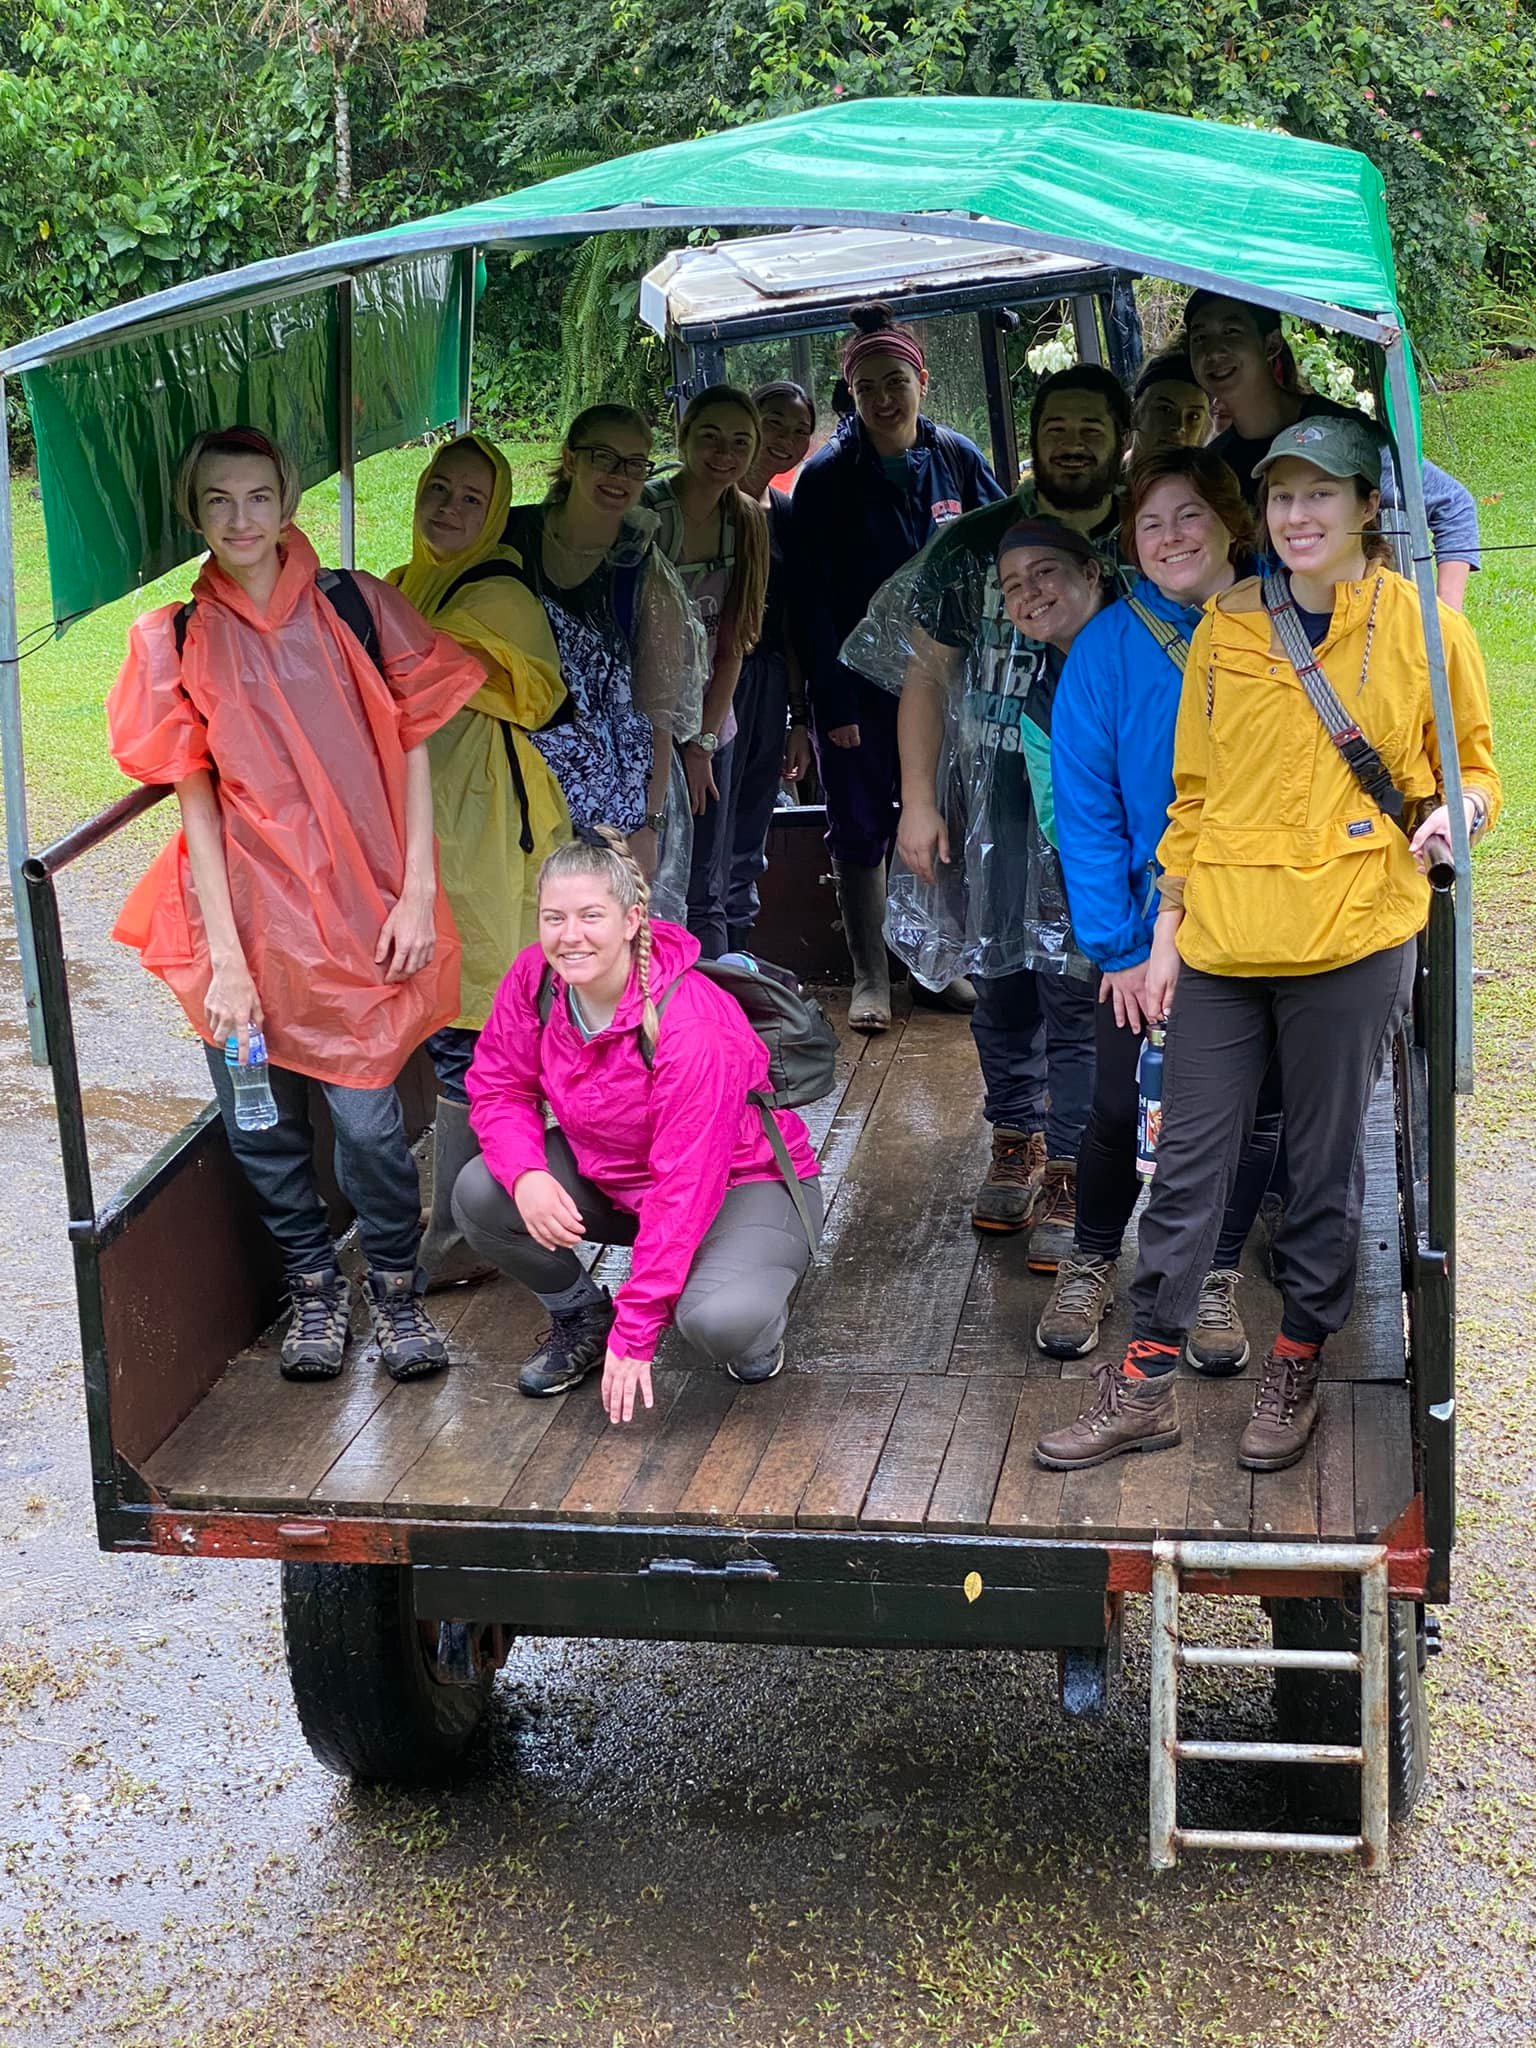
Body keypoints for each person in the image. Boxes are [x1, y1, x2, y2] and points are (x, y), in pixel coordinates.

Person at [1036, 414, 1500, 1475]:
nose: (1296, 516)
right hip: (1225, 940)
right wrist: (1165, 932)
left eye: (1319, 496)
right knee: (1188, 1165)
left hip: (1352, 932)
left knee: (1319, 1166)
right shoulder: (1228, 627)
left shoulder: (1429, 629)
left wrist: (1454, 814)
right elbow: (1192, 797)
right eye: (1282, 497)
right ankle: (1144, 1379)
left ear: (1368, 508)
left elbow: (1475, 769)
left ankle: (1295, 1360)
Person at [107, 426, 486, 1381]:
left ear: (288, 503)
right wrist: (228, 962)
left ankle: (394, 1291)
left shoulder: (356, 608)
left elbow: (412, 742)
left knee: (365, 1125)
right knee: (259, 1118)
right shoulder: (176, 639)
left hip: (361, 909)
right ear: (195, 515)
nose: (241, 520)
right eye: (219, 502)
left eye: (259, 497)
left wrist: (417, 893)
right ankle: (313, 1285)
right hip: (241, 921)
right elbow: (194, 800)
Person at [851, 361, 1134, 1264]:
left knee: (1083, 994)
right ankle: (1016, 1134)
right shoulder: (973, 544)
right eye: (1059, 425)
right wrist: (920, 801)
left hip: (1100, 823)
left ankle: (1072, 1165)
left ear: (1121, 437)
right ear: (1034, 435)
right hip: (992, 813)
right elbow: (925, 676)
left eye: (1093, 425)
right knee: (1001, 981)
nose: (1075, 441)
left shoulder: (1151, 538)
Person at [452, 828, 824, 1423]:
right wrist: (525, 1174)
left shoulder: (691, 1022)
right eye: (554, 918)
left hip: (739, 1186)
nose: (569, 937)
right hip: (619, 1179)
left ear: (630, 920)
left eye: (589, 916)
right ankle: (581, 1315)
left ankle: (756, 1318)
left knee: (719, 1321)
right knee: (481, 1193)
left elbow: (686, 1185)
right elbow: (499, 1087)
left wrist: (638, 1331)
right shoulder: (536, 980)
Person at [1045, 445, 1280, 1368]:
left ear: (1232, 520)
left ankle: (1214, 1276)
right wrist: (1117, 948)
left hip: (1265, 911)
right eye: (1150, 522)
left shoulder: (1291, 620)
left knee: (1253, 1110)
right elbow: (1087, 806)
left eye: (1189, 515)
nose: (1171, 536)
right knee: (1113, 1104)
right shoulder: (1108, 646)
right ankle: (1095, 1255)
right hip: (1144, 921)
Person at [387, 432, 572, 1289]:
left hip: (489, 838)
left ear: (495, 511)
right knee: (455, 1023)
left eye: (471, 497)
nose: (450, 508)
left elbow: (466, 678)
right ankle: (469, 1210)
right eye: (439, 489)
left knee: (474, 1032)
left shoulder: (498, 595)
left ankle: (461, 1241)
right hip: (430, 834)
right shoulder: (404, 585)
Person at [789, 301, 1004, 1029]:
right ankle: (870, 977)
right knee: (858, 824)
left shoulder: (957, 458)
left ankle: (935, 968)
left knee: (940, 810)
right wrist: (831, 702)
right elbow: (811, 601)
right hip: (857, 688)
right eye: (867, 388)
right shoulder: (824, 478)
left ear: (922, 382)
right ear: (851, 396)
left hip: (945, 682)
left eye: (896, 383)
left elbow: (1006, 540)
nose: (884, 399)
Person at [502, 403, 706, 911]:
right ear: (570, 460)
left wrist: (650, 826)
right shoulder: (508, 539)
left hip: (614, 809)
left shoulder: (642, 570)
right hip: (518, 790)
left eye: (636, 464)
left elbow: (659, 712)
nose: (621, 477)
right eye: (605, 458)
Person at [1182, 290, 1481, 606]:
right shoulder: (1216, 461)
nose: (1214, 351)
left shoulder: (1340, 431)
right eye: (1200, 338)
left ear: (1270, 345)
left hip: (1361, 628)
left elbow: (1452, 504)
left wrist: (1446, 621)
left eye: (1231, 332)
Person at [643, 386, 770, 959]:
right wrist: (668, 748)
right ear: (684, 436)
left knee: (703, 884)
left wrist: (702, 744)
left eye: (740, 442)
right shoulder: (647, 515)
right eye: (711, 437)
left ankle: (713, 1017)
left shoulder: (745, 522)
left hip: (709, 725)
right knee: (643, 875)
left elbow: (734, 644)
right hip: (641, 729)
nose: (725, 453)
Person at [725, 381, 817, 952]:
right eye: (772, 423)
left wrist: (798, 717)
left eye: (797, 429)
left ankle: (736, 956)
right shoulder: (706, 504)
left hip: (764, 686)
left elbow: (793, 624)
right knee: (706, 825)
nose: (784, 439)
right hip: (709, 685)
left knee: (751, 825)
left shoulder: (786, 514)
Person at [1128, 349, 1211, 459]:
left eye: (1193, 416)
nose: (1179, 426)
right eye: (1165, 409)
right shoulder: (1104, 473)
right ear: (1135, 413)